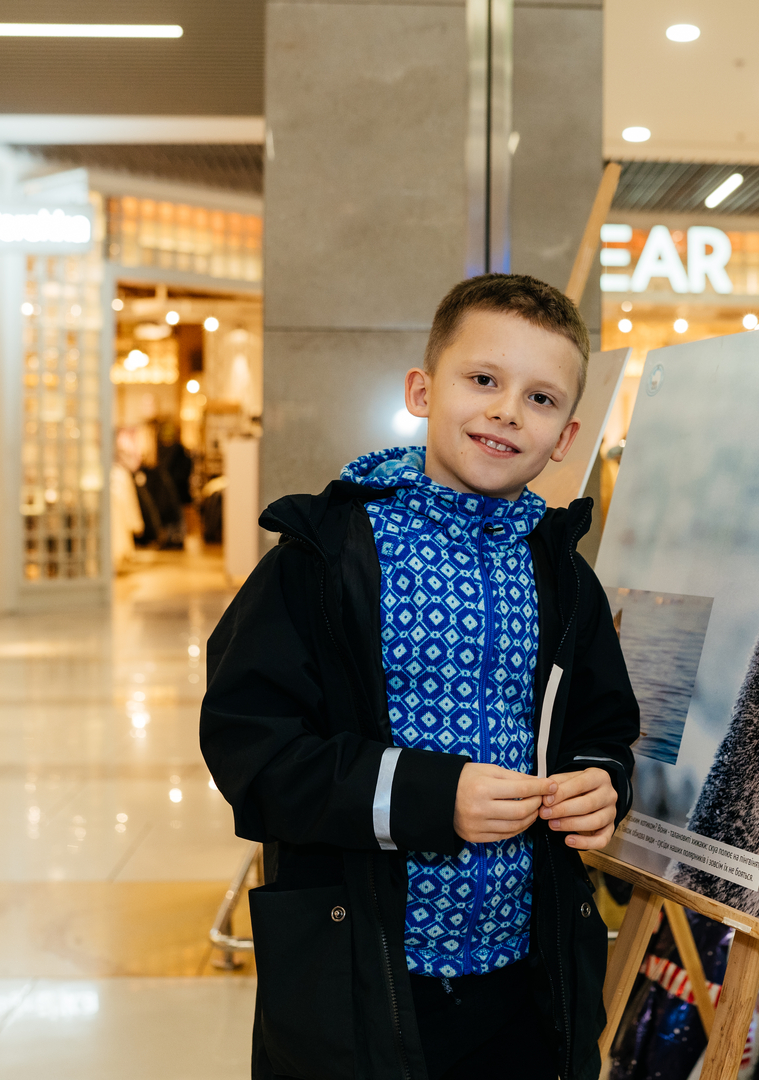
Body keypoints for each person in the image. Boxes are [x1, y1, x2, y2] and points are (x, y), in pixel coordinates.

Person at [200, 273, 640, 1080]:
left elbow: (603, 726)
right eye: (483, 379)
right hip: (363, 979)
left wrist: (601, 779)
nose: (508, 410)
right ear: (421, 389)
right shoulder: (325, 558)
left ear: (567, 437)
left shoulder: (566, 577)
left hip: (523, 977)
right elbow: (251, 752)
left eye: (541, 399)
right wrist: (430, 797)